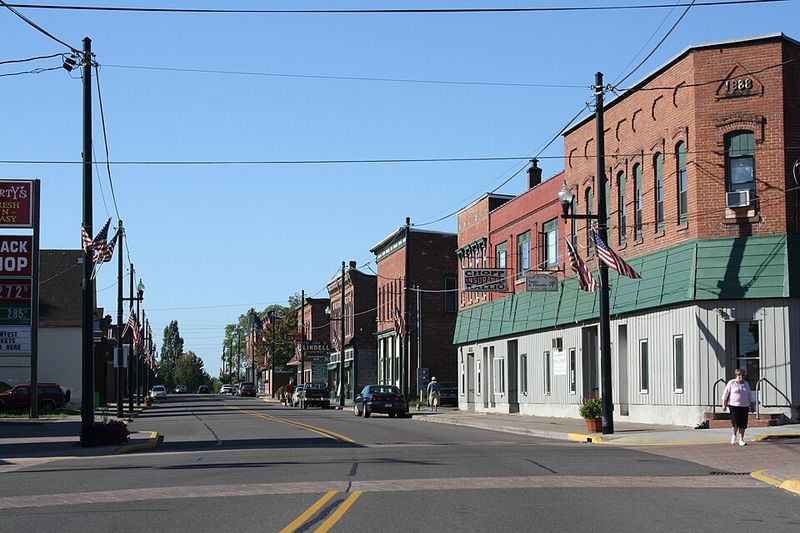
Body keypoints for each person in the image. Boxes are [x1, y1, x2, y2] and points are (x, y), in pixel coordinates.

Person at [722, 368, 754, 446]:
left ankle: (741, 439)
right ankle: (734, 436)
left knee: (743, 423)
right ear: (736, 375)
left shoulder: (746, 384)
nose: (741, 377)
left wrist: (752, 404)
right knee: (735, 422)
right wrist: (724, 405)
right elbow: (725, 394)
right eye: (739, 375)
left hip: (744, 406)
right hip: (734, 405)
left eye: (743, 375)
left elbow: (749, 395)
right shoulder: (731, 383)